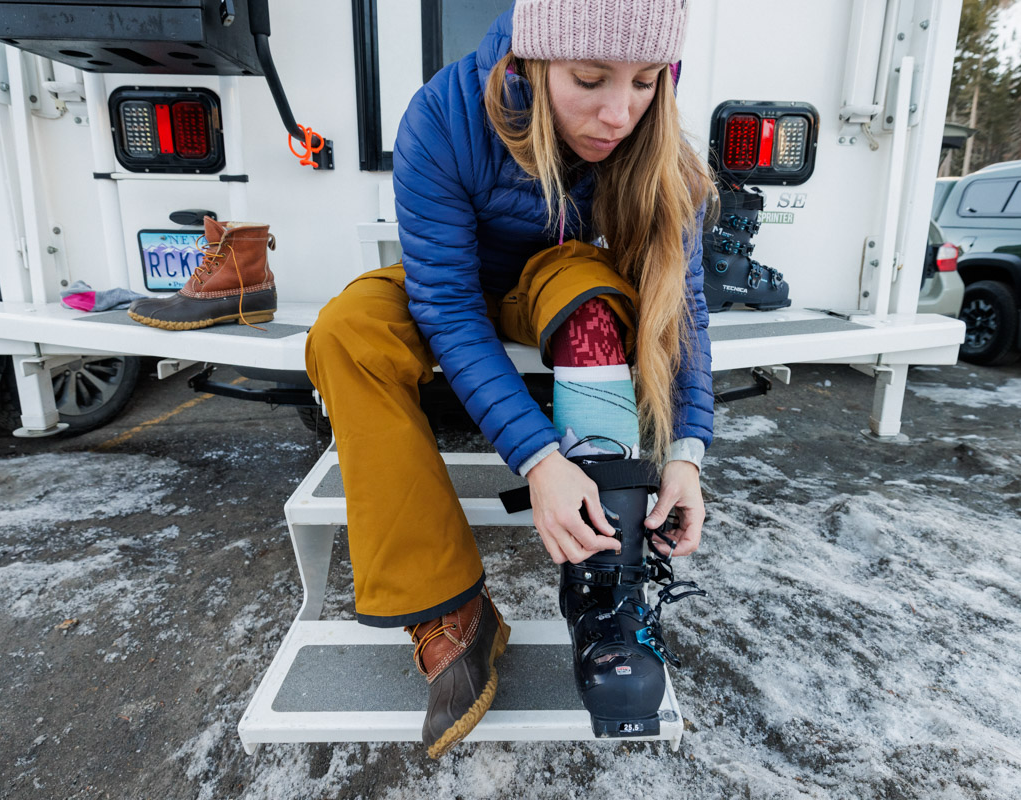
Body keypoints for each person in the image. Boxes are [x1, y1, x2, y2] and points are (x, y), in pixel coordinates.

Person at [305, 0, 714, 757]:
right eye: (590, 79)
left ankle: (603, 580)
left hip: (556, 283)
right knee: (346, 329)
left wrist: (686, 452)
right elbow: (449, 305)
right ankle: (449, 606)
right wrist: (538, 459)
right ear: (536, 61)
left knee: (596, 298)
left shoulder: (656, 147)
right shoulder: (444, 113)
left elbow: (679, 306)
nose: (618, 112)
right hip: (455, 282)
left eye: (646, 81)